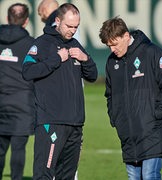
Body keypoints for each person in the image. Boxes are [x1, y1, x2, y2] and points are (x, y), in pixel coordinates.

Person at [22, 3, 97, 179]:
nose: (72, 30)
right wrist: (56, 59)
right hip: (51, 122)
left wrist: (85, 59)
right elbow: (27, 72)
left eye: (76, 27)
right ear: (57, 21)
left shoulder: (76, 44)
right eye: (69, 26)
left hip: (75, 124)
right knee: (44, 175)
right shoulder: (41, 43)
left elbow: (92, 76)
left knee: (68, 176)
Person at [99, 16, 162, 180]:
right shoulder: (111, 62)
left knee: (149, 176)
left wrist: (157, 113)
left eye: (114, 44)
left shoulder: (151, 52)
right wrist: (116, 118)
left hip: (152, 132)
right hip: (128, 136)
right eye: (109, 46)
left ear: (126, 36)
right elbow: (110, 94)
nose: (112, 49)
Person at [0, 3, 35, 180]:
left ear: (7, 18)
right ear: (26, 21)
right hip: (23, 104)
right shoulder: (32, 45)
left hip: (1, 103)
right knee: (18, 148)